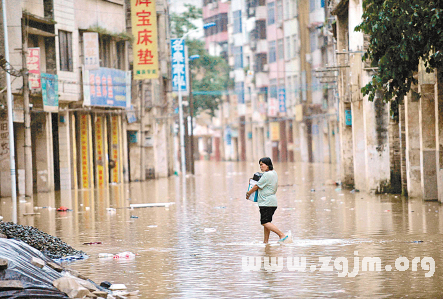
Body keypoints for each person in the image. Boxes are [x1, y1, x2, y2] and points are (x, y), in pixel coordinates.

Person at [246, 157, 291, 244]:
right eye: (260, 165)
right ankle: (265, 242)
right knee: (267, 222)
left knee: (264, 222)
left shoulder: (267, 175)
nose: (261, 167)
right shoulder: (274, 173)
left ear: (268, 165)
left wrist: (248, 193)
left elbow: (256, 186)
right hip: (272, 202)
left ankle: (281, 235)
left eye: (262, 164)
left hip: (266, 202)